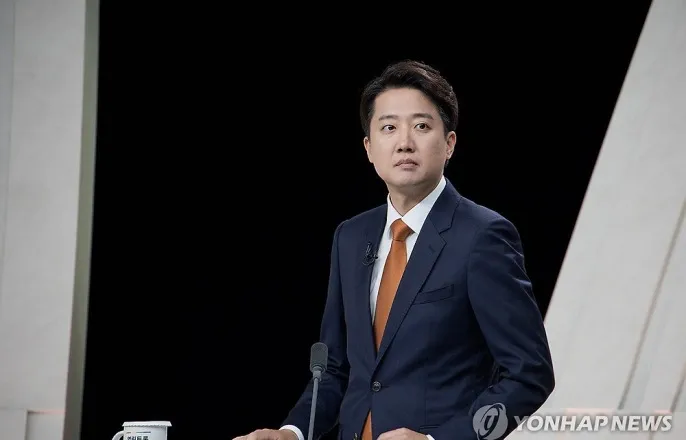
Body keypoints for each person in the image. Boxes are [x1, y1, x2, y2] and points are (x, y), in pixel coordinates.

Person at [233, 60, 555, 440]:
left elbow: (529, 374)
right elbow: (335, 370)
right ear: (369, 148)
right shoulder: (351, 237)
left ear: (449, 144)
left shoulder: (483, 236)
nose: (404, 142)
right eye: (389, 128)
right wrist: (293, 432)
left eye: (421, 126)